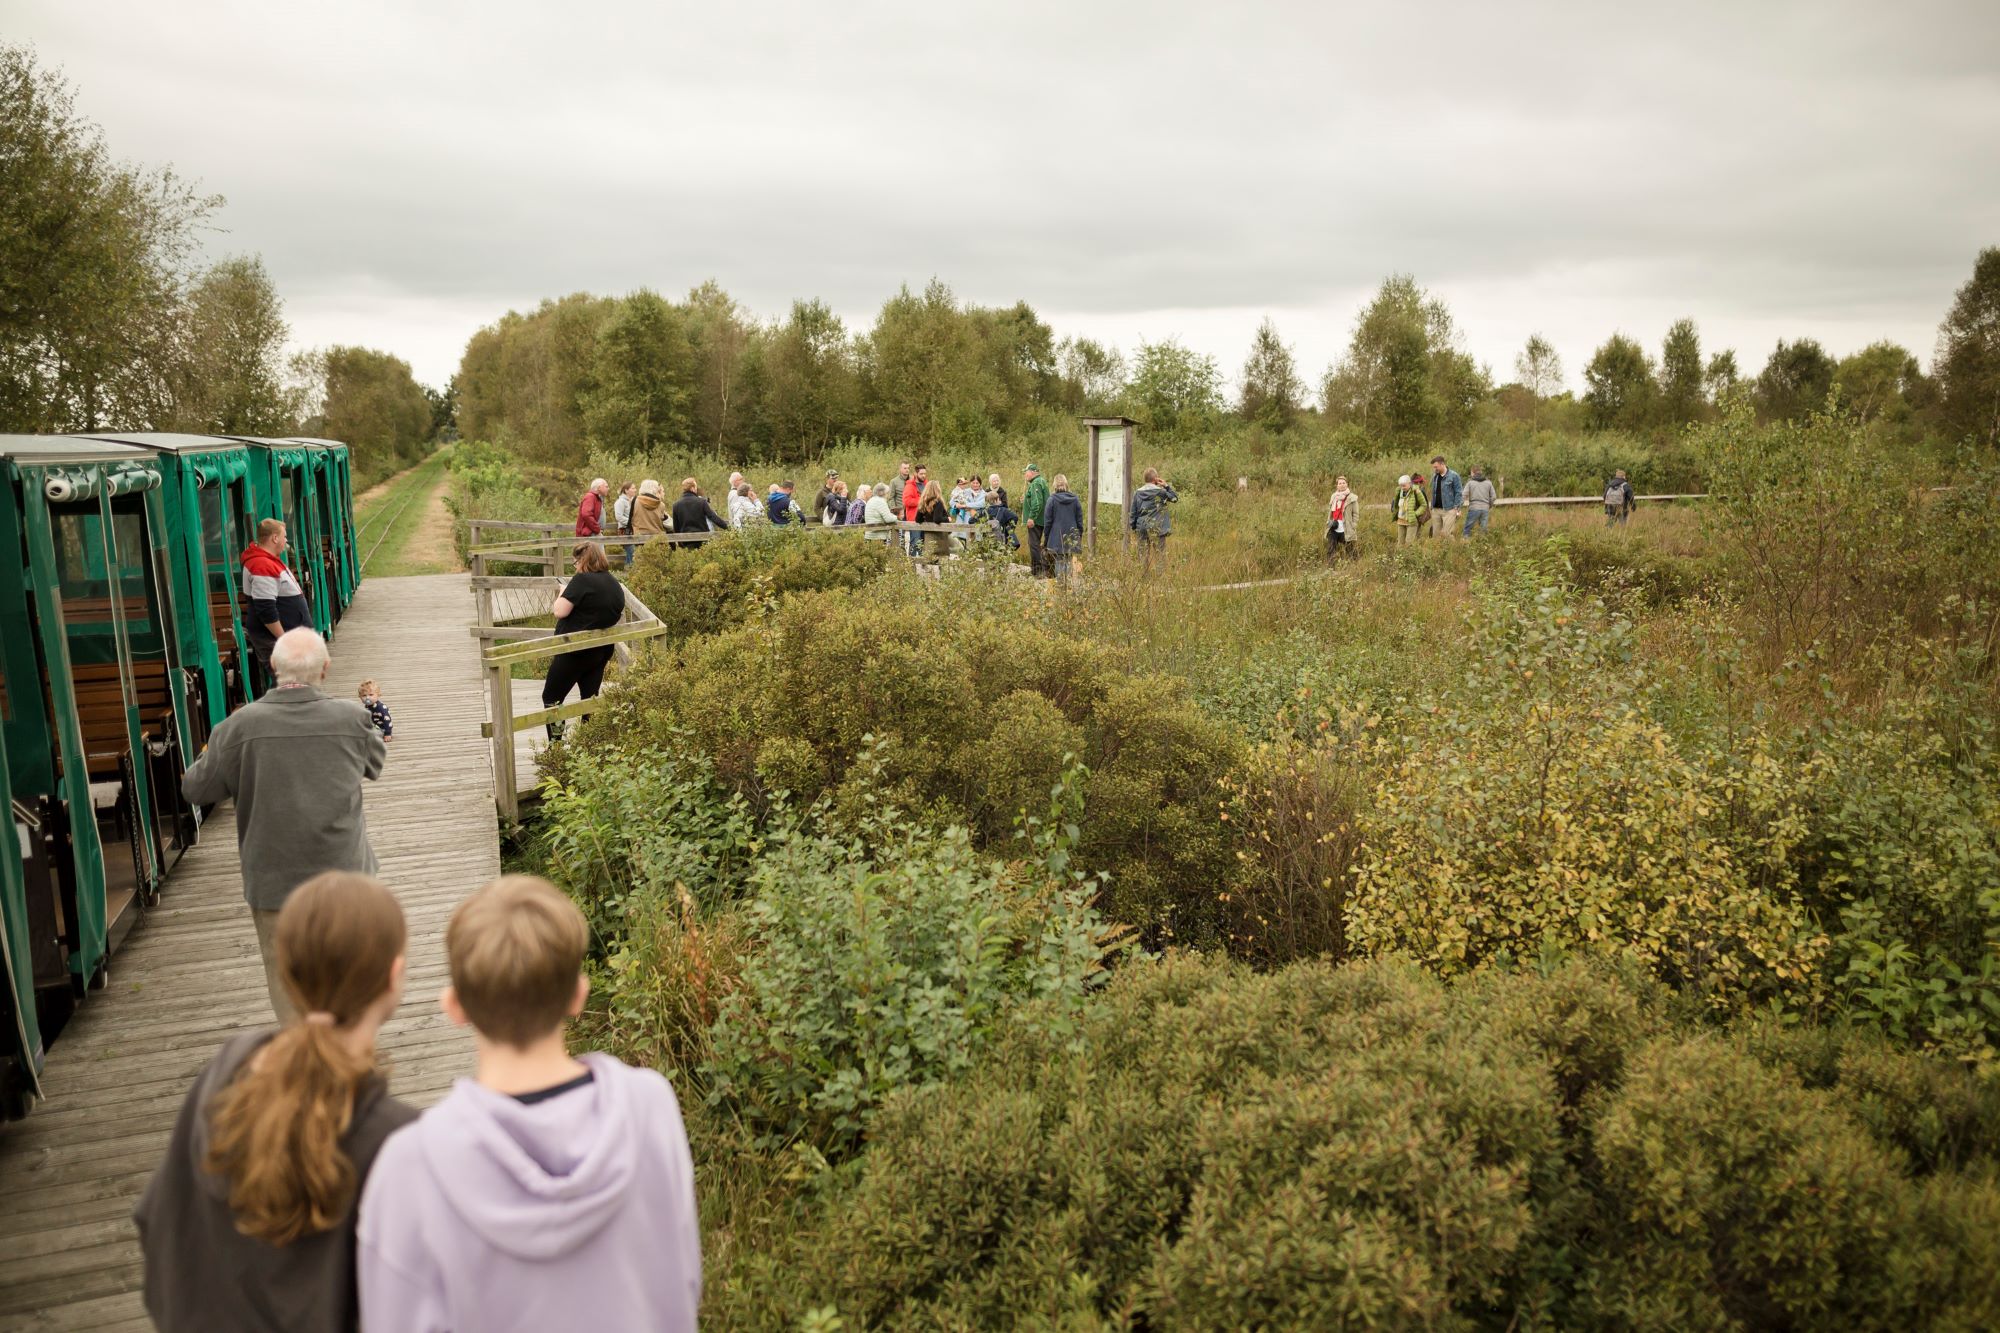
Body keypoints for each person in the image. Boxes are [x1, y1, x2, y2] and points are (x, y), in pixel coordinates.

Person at [357, 876, 701, 1333]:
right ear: (579, 995)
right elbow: (681, 1276)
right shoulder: (649, 1107)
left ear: (454, 1007)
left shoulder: (408, 1167)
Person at [135, 872, 414, 1333]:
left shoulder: (226, 1072)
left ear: (285, 972)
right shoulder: (398, 1140)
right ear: (393, 977)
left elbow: (157, 1223)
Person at [182, 628, 383, 1022]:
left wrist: (220, 745)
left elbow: (195, 788)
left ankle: (305, 1065)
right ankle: (349, 1057)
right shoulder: (352, 718)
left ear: (273, 666)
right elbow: (374, 763)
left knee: (288, 986)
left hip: (275, 883)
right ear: (325, 668)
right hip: (347, 876)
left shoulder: (238, 727)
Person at [540, 543, 623, 743]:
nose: (575, 567)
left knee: (552, 698)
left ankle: (556, 745)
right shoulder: (613, 582)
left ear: (584, 561)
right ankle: (588, 743)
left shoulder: (582, 580)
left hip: (575, 652)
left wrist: (563, 590)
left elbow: (559, 611)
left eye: (576, 562)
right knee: (589, 699)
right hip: (601, 650)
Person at [240, 517, 312, 681]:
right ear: (275, 538)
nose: (286, 540)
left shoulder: (267, 561)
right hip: (276, 640)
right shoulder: (261, 565)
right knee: (289, 684)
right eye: (284, 536)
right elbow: (266, 609)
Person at [1127, 467, 1178, 567]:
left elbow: (1133, 512)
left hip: (1142, 527)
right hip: (1157, 527)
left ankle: (1143, 578)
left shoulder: (1137, 493)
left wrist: (1134, 527)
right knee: (1159, 554)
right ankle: (1159, 578)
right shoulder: (1160, 492)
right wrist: (1166, 486)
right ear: (1155, 479)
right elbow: (1174, 498)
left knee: (1143, 554)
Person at [1042, 474, 1084, 581]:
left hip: (1056, 537)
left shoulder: (1051, 500)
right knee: (1068, 559)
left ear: (1054, 485)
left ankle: (1061, 587)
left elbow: (1047, 522)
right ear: (1066, 484)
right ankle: (1067, 586)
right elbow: (1080, 520)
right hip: (1071, 535)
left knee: (1059, 560)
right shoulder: (1075, 499)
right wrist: (1079, 535)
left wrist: (1046, 539)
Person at [1021, 463, 1051, 576]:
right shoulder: (1041, 481)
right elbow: (1036, 499)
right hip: (1043, 519)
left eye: (1026, 472)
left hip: (1037, 520)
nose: (1025, 474)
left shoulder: (1036, 483)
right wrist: (1026, 500)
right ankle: (1039, 569)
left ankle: (1039, 570)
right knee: (1037, 544)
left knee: (1034, 545)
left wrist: (1031, 517)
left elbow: (1038, 503)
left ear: (1033, 472)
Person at [1428, 456, 1463, 539]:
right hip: (1436, 510)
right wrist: (1432, 507)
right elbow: (1433, 491)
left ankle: (1453, 550)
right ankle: (1438, 551)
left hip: (1449, 509)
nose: (1434, 469)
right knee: (1435, 535)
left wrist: (1456, 508)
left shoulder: (1454, 476)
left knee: (1447, 534)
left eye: (1436, 467)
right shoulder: (1435, 476)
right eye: (1434, 467)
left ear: (1442, 464)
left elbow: (1459, 492)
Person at [1326, 476, 1360, 559]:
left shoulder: (1352, 498)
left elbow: (1356, 514)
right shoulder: (1334, 497)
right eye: (1340, 483)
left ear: (1347, 484)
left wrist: (1353, 525)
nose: (1342, 485)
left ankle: (1354, 565)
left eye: (1343, 483)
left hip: (1346, 526)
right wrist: (1328, 522)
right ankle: (1331, 567)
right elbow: (1330, 512)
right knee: (1331, 548)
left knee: (1350, 549)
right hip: (1334, 526)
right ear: (1337, 486)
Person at [630, 478, 667, 550]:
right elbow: (663, 521)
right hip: (657, 537)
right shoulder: (661, 504)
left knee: (641, 559)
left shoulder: (634, 501)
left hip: (639, 537)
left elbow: (631, 519)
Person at [1393, 474, 1429, 545]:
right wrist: (1395, 511)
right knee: (1400, 543)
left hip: (1411, 521)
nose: (1402, 487)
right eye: (1401, 485)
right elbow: (1395, 503)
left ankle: (1410, 555)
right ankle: (1400, 555)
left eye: (1404, 485)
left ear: (1410, 483)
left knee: (1409, 543)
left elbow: (1424, 505)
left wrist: (1415, 514)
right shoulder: (1399, 491)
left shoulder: (1416, 491)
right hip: (1401, 521)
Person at [985, 472, 1017, 547]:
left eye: (997, 480)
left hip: (1001, 513)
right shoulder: (986, 491)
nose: (996, 482)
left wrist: (998, 505)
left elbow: (1005, 505)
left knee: (1000, 530)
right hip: (989, 513)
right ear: (990, 482)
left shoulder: (1002, 492)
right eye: (994, 481)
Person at [611, 482, 639, 567]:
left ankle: (630, 572)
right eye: (633, 488)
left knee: (633, 554)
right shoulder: (620, 502)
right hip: (625, 530)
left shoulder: (635, 500)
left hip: (634, 530)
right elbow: (619, 517)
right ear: (626, 490)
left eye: (635, 488)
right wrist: (631, 522)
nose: (635, 490)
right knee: (631, 551)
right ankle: (630, 571)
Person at [1463, 466, 1497, 535]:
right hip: (1485, 509)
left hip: (1474, 508)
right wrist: (1489, 505)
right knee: (1483, 529)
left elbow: (1463, 495)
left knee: (1468, 529)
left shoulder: (1470, 483)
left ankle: (1465, 542)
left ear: (1473, 473)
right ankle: (1482, 543)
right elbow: (1493, 497)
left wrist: (1458, 507)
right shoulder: (1488, 483)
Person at [902, 466, 927, 556]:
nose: (923, 475)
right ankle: (912, 566)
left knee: (925, 544)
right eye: (921, 474)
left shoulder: (926, 484)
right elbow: (907, 501)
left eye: (925, 473)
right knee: (915, 543)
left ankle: (923, 567)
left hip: (926, 519)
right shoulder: (909, 486)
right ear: (916, 474)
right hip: (914, 519)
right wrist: (921, 500)